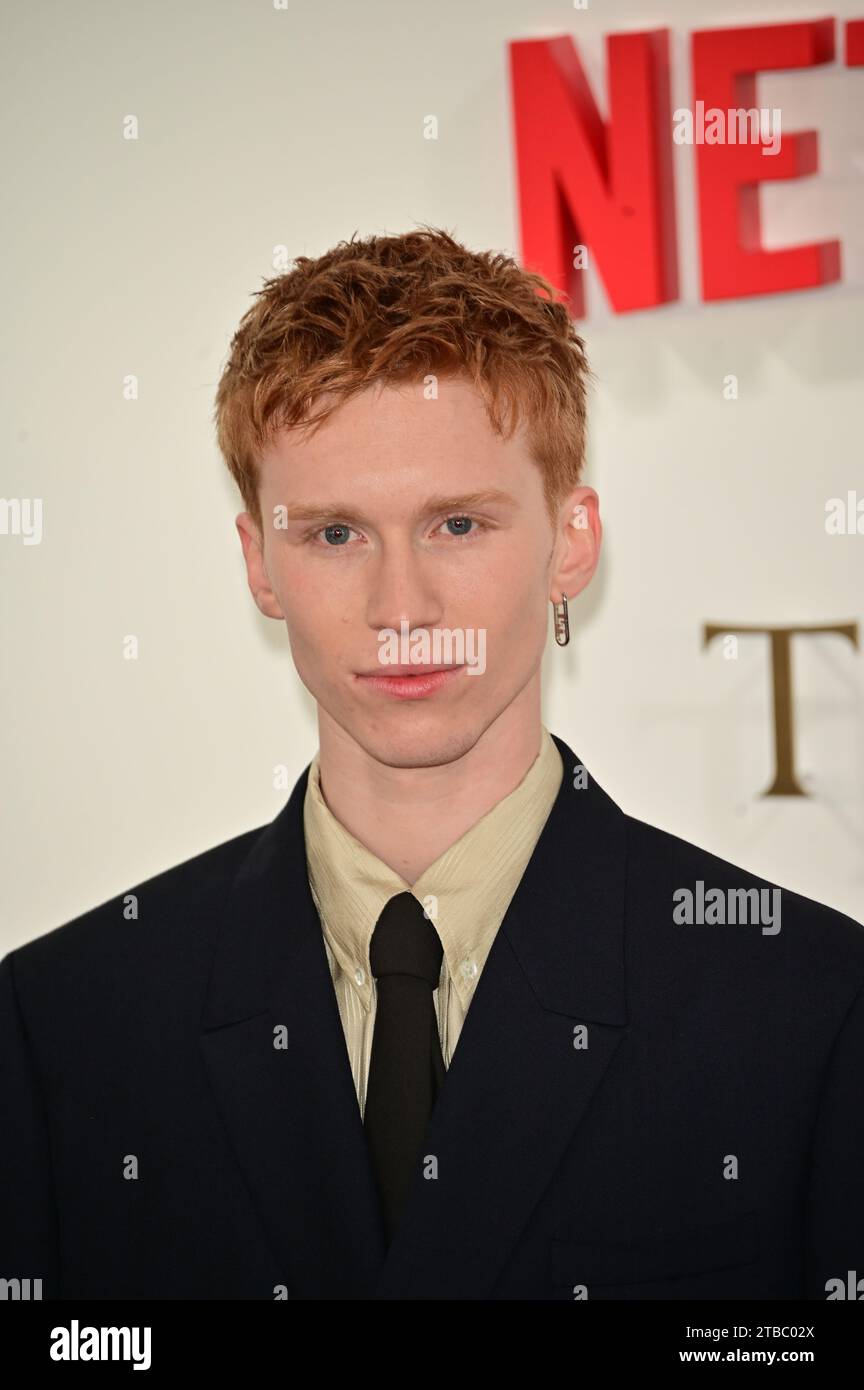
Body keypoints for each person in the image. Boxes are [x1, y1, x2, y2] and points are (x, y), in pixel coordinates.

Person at [2, 227, 862, 1301]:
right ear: (258, 564)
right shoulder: (63, 1027)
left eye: (457, 523)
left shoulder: (811, 1011)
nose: (401, 610)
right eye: (333, 535)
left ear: (572, 538)